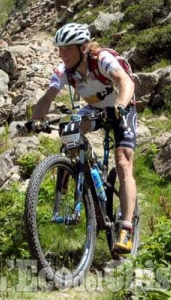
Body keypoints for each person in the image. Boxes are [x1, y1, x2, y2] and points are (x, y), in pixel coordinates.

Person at [28, 23, 138, 254]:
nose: (62, 54)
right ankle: (74, 170)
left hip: (122, 107)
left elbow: (126, 82)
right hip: (95, 109)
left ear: (83, 47)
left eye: (67, 49)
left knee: (122, 161)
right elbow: (48, 97)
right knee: (69, 130)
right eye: (60, 49)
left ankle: (126, 229)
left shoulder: (102, 60)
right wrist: (35, 120)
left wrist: (120, 105)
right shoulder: (64, 71)